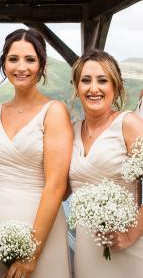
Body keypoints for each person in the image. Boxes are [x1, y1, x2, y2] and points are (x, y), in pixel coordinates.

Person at [0, 29, 73, 278]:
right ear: (4, 63)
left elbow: (56, 185)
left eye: (30, 59)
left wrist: (32, 252)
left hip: (40, 223)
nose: (21, 67)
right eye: (13, 59)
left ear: (41, 64)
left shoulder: (54, 111)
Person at [69, 49, 143, 278]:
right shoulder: (71, 131)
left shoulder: (129, 124)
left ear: (116, 87)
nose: (94, 88)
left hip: (128, 245)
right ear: (76, 87)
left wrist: (132, 233)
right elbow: (59, 187)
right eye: (86, 81)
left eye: (102, 80)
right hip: (86, 247)